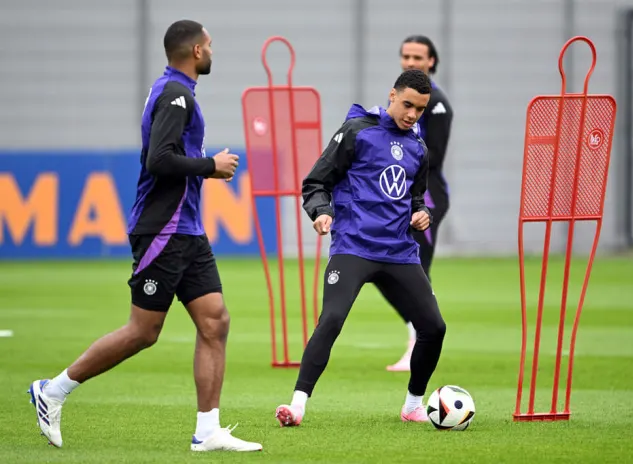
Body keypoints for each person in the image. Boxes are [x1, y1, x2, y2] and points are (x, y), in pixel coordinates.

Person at [27, 20, 262, 453]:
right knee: (143, 331)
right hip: (163, 229)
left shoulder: (177, 91)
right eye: (209, 46)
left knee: (215, 321)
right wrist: (211, 166)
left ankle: (207, 430)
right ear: (194, 51)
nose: (213, 52)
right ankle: (52, 390)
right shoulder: (175, 94)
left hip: (186, 228)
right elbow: (159, 159)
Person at [274, 69, 447, 427]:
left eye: (420, 109)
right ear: (392, 96)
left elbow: (416, 199)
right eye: (408, 105)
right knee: (332, 318)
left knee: (434, 326)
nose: (413, 114)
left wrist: (421, 214)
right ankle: (297, 404)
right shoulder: (357, 131)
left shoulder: (418, 148)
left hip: (399, 252)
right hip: (354, 246)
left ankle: (414, 404)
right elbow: (316, 181)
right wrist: (321, 212)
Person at [385, 35, 454, 372]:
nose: (411, 62)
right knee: (383, 272)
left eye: (418, 56)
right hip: (402, 196)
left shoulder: (437, 104)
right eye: (406, 56)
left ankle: (420, 343)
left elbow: (434, 159)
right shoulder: (401, 101)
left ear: (431, 62)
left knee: (416, 272)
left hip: (427, 196)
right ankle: (419, 332)